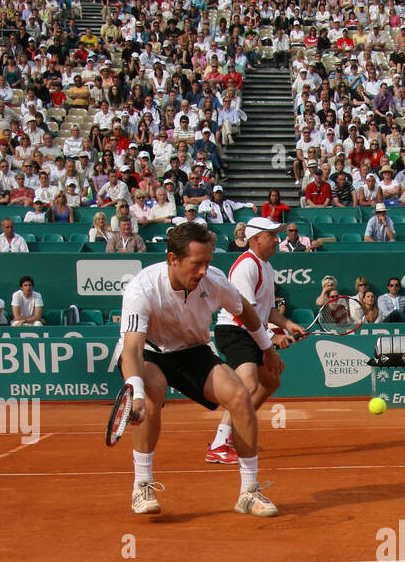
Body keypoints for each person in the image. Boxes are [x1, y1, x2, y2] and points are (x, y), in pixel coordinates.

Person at [118, 221, 284, 517]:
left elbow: (244, 310)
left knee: (240, 395)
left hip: (194, 350)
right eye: (197, 264)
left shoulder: (214, 281)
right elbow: (131, 347)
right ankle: (141, 485)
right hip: (151, 352)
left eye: (208, 262)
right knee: (153, 394)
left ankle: (248, 492)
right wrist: (137, 392)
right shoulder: (142, 288)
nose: (204, 271)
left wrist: (266, 348)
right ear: (173, 259)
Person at [208, 217, 307, 464]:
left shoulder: (266, 266)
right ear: (255, 239)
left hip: (250, 331)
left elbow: (268, 310)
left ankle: (237, 431)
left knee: (270, 381)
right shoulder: (246, 266)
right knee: (247, 385)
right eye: (272, 235)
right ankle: (219, 444)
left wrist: (287, 324)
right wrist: (273, 338)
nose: (277, 239)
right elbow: (245, 314)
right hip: (234, 330)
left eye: (276, 235)